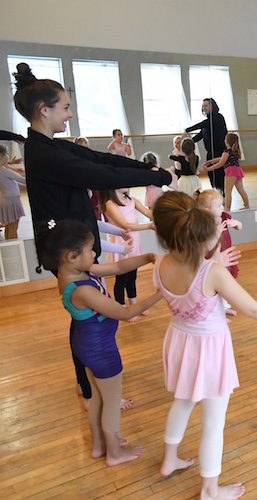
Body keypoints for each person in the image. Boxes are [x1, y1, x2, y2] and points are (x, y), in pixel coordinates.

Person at [12, 62, 175, 407]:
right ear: (44, 110)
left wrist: (151, 169)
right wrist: (157, 178)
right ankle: (90, 390)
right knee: (83, 319)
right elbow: (100, 176)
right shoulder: (44, 154)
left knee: (85, 317)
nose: (69, 114)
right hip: (69, 249)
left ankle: (89, 385)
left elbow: (101, 159)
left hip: (77, 245)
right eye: (65, 107)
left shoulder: (51, 147)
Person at [152, 191, 257, 500]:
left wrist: (211, 255)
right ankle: (210, 490)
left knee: (183, 401)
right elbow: (252, 309)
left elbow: (188, 295)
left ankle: (169, 459)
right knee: (213, 421)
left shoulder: (160, 263)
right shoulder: (211, 272)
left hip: (180, 342)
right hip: (209, 349)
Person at [36, 219, 161, 466]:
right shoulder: (82, 290)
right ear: (72, 256)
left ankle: (99, 445)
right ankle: (115, 453)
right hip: (101, 351)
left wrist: (146, 257)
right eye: (90, 250)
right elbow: (124, 313)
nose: (94, 254)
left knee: (98, 399)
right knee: (112, 403)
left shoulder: (72, 273)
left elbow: (118, 268)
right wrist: (161, 293)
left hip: (87, 347)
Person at [100, 188, 154, 322]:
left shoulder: (131, 201)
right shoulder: (110, 205)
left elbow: (148, 213)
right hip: (122, 243)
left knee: (132, 275)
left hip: (135, 242)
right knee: (122, 278)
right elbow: (125, 225)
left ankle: (134, 305)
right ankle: (122, 310)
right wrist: (149, 226)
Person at [194, 188, 243, 316]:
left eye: (222, 204)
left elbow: (239, 227)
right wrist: (216, 232)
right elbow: (206, 246)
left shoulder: (224, 217)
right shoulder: (204, 224)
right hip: (212, 259)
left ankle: (223, 307)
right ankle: (215, 311)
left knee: (225, 283)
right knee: (215, 284)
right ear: (207, 210)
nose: (222, 207)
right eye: (218, 205)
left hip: (226, 256)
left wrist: (236, 223)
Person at [186, 98, 228, 195]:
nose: (204, 108)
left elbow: (203, 124)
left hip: (219, 152)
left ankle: (222, 194)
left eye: (206, 105)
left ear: (212, 106)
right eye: (203, 106)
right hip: (210, 152)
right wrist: (189, 143)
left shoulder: (218, 118)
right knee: (211, 174)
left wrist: (188, 130)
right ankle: (216, 192)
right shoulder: (207, 121)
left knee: (219, 174)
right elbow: (201, 134)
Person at [202, 133, 249, 211]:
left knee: (227, 192)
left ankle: (227, 208)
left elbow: (221, 163)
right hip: (238, 171)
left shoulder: (226, 151)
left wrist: (209, 169)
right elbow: (222, 158)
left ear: (226, 142)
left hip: (230, 172)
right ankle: (247, 205)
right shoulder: (235, 151)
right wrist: (211, 161)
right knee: (241, 190)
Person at [0, 144, 26, 239]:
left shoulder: (2, 171)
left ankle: (9, 248)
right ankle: (14, 248)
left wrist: (26, 187)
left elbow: (13, 184)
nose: (8, 157)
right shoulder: (5, 171)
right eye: (7, 154)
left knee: (8, 226)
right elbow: (21, 180)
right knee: (13, 228)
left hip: (6, 201)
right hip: (12, 202)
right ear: (1, 156)